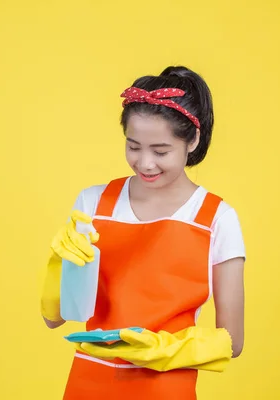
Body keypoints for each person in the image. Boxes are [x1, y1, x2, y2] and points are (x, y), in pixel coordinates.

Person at [40, 65, 246, 399]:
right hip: (88, 384)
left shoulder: (216, 219)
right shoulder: (93, 202)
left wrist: (162, 350)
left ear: (192, 140)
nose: (145, 163)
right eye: (133, 146)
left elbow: (233, 341)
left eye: (161, 151)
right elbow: (57, 319)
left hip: (167, 388)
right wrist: (56, 266)